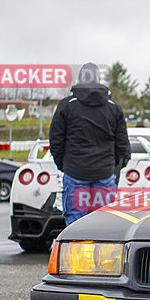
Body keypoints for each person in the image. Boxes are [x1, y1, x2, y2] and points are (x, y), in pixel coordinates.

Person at [49, 62, 130, 225]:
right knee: (103, 223)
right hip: (105, 173)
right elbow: (122, 146)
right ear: (99, 79)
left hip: (75, 172)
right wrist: (113, 168)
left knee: (75, 224)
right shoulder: (114, 108)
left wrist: (64, 165)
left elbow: (56, 141)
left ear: (80, 79)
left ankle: (77, 250)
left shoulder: (66, 105)